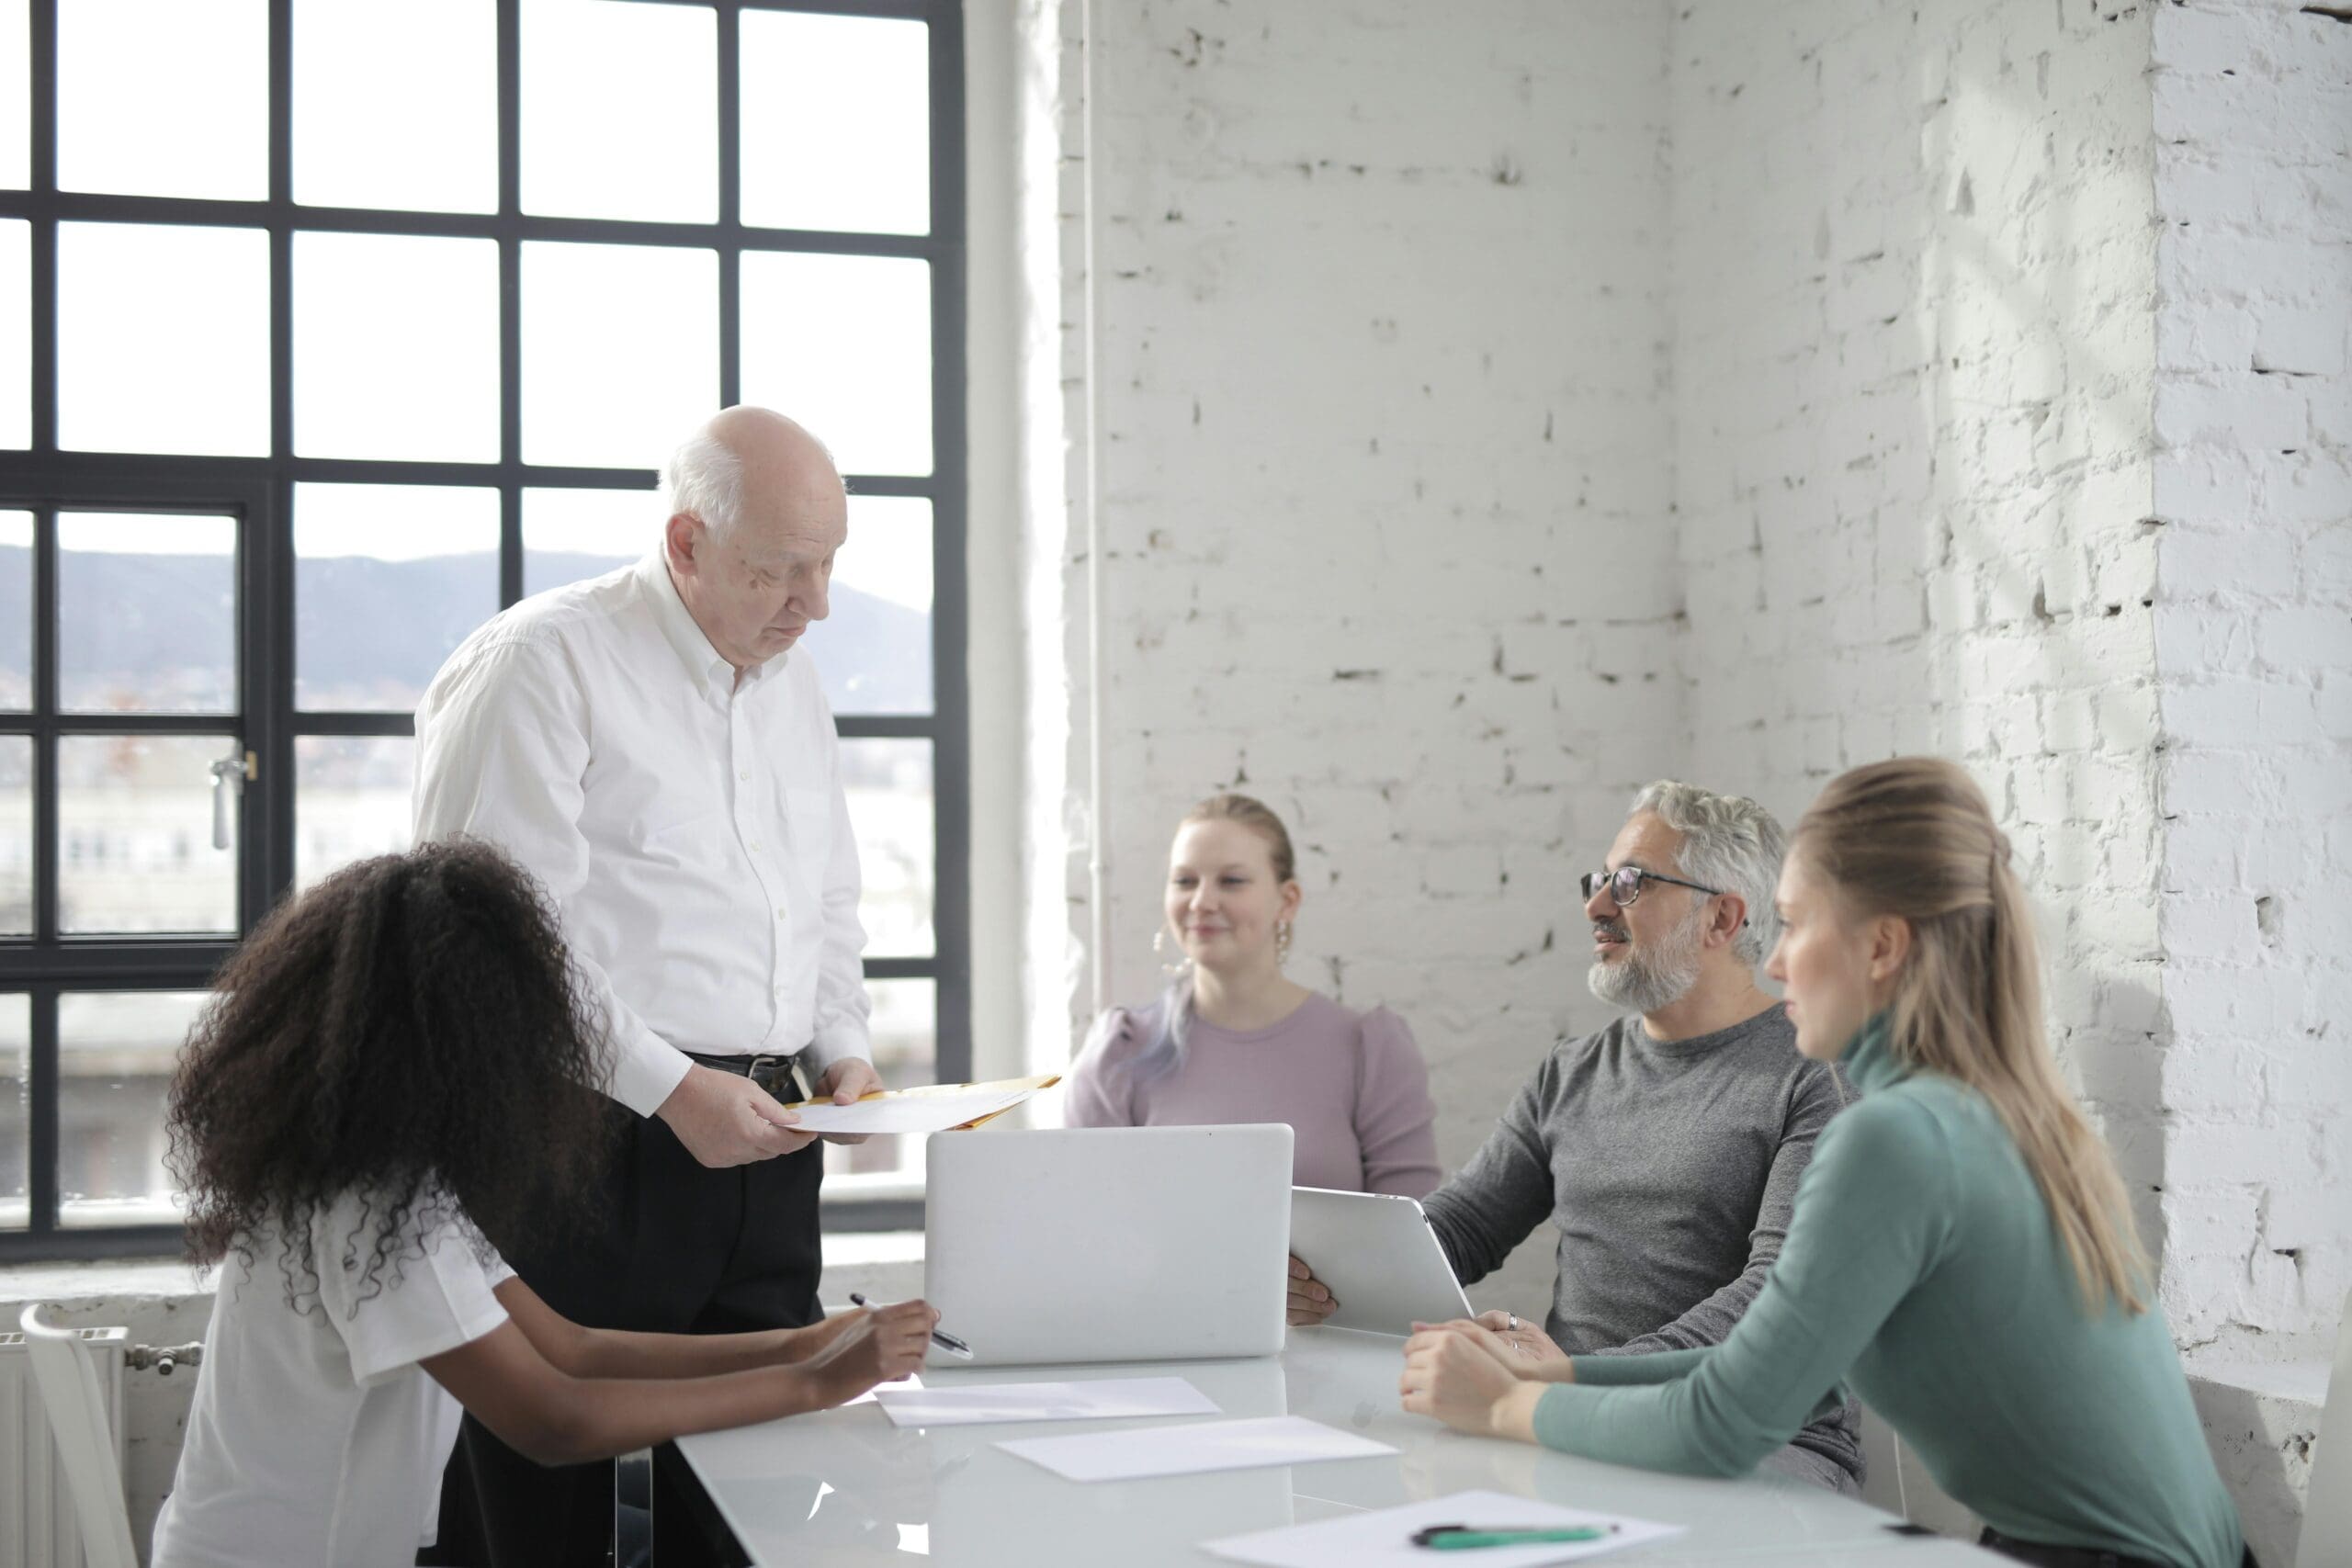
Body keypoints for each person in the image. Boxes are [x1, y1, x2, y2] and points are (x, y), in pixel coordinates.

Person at [1400, 759, 2249, 1568]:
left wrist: (1510, 1403)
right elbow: (1752, 1369)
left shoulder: (1893, 1136)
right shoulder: (1974, 1109)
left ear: (1880, 947)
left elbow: (1727, 1420)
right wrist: (1560, 1373)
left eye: (1797, 923)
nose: (1772, 959)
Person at [150, 842, 936, 1568]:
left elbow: (574, 1346)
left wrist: (812, 1344)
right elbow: (555, 1419)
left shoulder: (377, 1170)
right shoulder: (370, 1202)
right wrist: (817, 1384)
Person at [411, 407, 884, 1564]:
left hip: (770, 1142)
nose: (813, 603)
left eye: (828, 566)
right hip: (583, 1138)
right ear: (685, 543)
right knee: (541, 1508)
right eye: (781, 570)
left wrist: (842, 1049)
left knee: (756, 1491)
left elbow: (819, 901)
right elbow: (495, 944)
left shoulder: (792, 681)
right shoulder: (541, 662)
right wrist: (671, 1088)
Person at [1288, 780, 1862, 1492]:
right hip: (1565, 1413)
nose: (1595, 906)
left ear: (1721, 918)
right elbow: (1463, 1225)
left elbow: (1773, 1298)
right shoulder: (1573, 1070)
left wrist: (1563, 1376)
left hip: (1761, 1436)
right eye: (1598, 881)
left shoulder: (1815, 1075)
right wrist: (1319, 1272)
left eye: (1629, 883)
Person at [1064, 793, 1441, 1197]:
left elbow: (1410, 1234)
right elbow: (1084, 1223)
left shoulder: (1370, 1049)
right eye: (1184, 881)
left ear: (1287, 901)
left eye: (1232, 881)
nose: (1202, 902)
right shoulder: (1119, 1053)